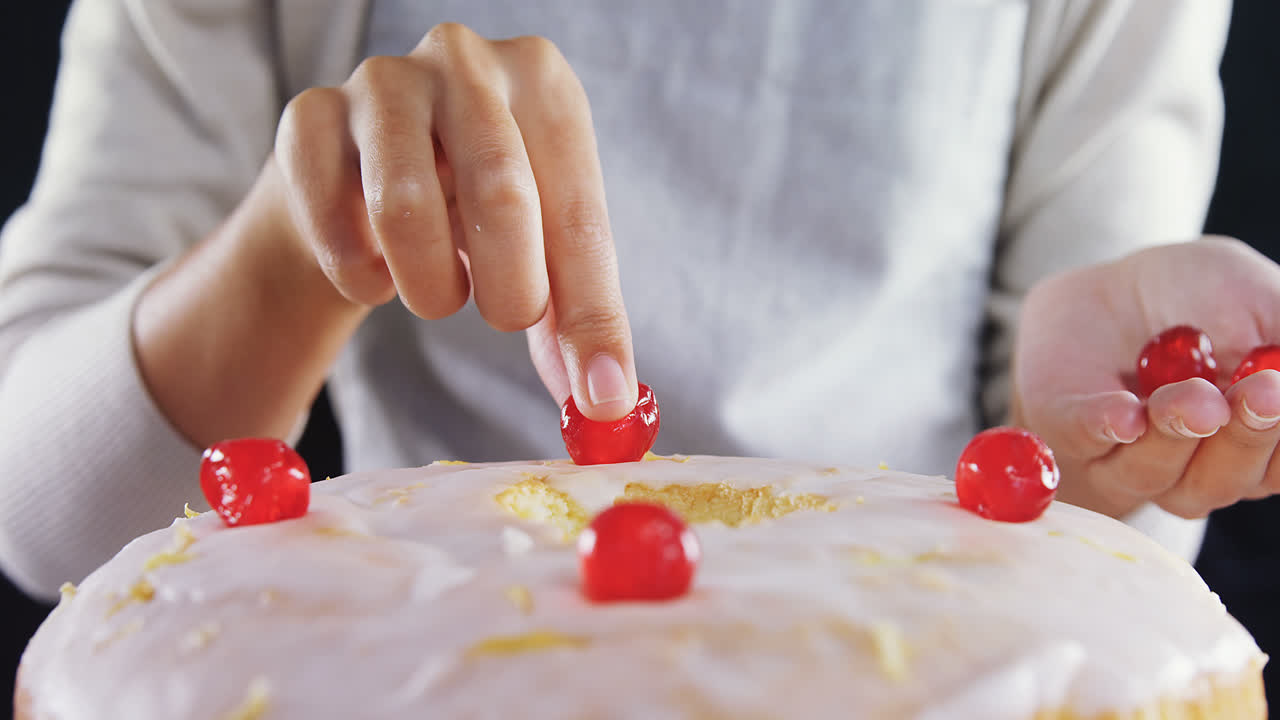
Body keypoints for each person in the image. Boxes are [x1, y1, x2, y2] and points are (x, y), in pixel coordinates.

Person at [0, 0, 1266, 601]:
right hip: (415, 657)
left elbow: (1089, 550)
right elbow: (45, 519)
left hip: (924, 658)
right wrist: (297, 240)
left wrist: (1104, 447)